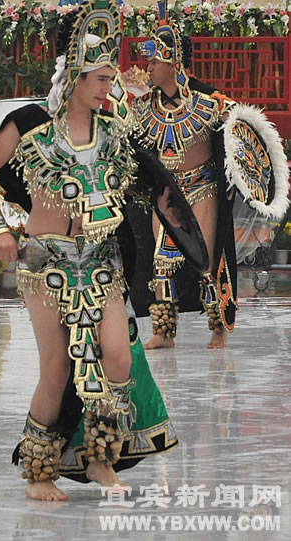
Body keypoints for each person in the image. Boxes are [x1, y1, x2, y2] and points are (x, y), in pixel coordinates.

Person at [0, 0, 200, 500]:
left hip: (101, 261)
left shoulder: (115, 132)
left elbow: (151, 185)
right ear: (74, 74)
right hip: (46, 263)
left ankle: (100, 461)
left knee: (116, 360)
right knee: (56, 368)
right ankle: (39, 473)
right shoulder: (28, 125)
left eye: (110, 78)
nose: (106, 87)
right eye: (98, 77)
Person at [128, 1, 290, 350]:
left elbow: (242, 133)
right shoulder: (141, 108)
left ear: (174, 62)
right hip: (168, 192)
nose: (148, 68)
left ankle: (217, 328)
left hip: (203, 188)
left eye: (155, 61)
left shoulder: (211, 103)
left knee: (208, 262)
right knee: (162, 261)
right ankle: (164, 331)